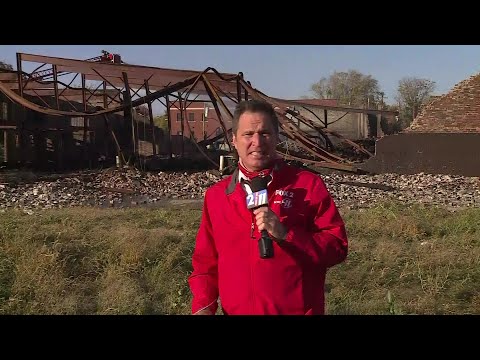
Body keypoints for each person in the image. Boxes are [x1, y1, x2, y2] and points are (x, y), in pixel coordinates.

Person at [188, 99, 348, 315]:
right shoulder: (217, 196)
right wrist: (203, 306)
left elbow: (337, 247)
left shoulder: (307, 185)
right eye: (248, 134)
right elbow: (205, 264)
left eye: (265, 133)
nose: (257, 142)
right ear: (234, 140)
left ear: (277, 138)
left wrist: (288, 235)